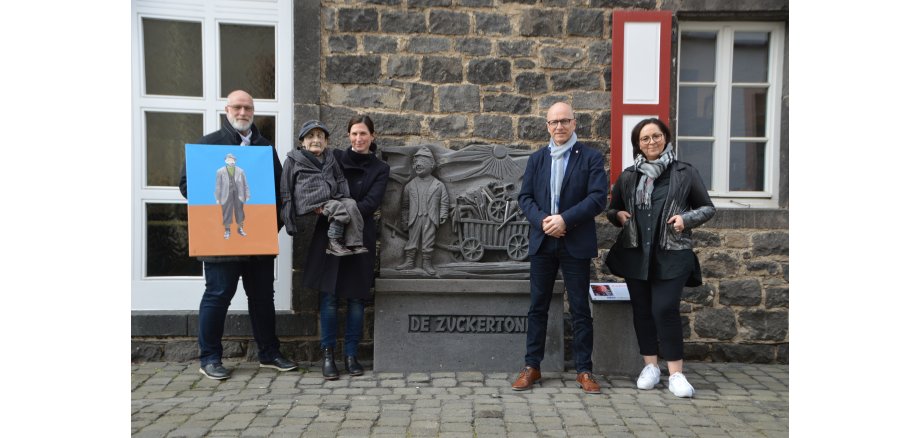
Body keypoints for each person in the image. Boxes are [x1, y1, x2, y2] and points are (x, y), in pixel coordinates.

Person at [179, 90, 297, 380]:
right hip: (220, 241)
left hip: (257, 241)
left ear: (253, 112)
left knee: (262, 298)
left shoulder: (264, 148)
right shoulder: (207, 146)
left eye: (248, 108)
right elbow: (186, 185)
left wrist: (270, 227)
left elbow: (279, 191)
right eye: (237, 107)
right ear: (227, 110)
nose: (243, 112)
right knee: (218, 296)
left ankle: (269, 353)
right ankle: (209, 358)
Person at [605, 117, 715, 398]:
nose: (651, 142)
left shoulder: (685, 172)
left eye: (656, 136)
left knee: (665, 309)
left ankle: (676, 373)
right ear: (638, 144)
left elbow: (707, 207)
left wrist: (686, 219)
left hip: (673, 252)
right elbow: (613, 210)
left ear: (665, 137)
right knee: (642, 311)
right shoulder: (629, 176)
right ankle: (650, 367)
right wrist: (618, 215)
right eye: (645, 138)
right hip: (636, 254)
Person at [512, 102, 608, 394]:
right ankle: (532, 367)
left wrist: (565, 219)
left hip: (575, 241)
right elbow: (525, 198)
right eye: (553, 122)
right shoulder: (537, 159)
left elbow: (597, 198)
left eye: (564, 121)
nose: (559, 126)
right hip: (543, 241)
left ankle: (584, 370)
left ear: (574, 123)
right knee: (537, 306)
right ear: (547, 126)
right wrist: (544, 221)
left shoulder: (590, 157)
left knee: (579, 308)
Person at [301, 116, 390, 380]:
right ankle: (328, 355)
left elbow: (371, 203)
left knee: (356, 299)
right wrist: (324, 207)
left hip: (359, 237)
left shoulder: (380, 168)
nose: (358, 139)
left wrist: (341, 210)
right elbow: (317, 186)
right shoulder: (335, 157)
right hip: (329, 233)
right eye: (354, 133)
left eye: (363, 134)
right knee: (329, 297)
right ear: (348, 135)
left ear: (372, 136)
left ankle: (351, 355)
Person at [280, 120, 367, 257]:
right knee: (337, 207)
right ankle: (334, 242)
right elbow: (286, 190)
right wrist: (289, 221)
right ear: (302, 142)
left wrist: (345, 196)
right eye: (310, 136)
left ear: (326, 142)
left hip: (329, 198)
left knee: (350, 204)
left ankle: (354, 242)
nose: (316, 140)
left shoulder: (329, 157)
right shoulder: (292, 160)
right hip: (308, 203)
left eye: (320, 136)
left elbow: (339, 177)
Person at [395, 147, 449, 276]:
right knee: (412, 240)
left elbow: (444, 202)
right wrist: (405, 220)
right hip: (414, 218)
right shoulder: (409, 186)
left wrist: (443, 214)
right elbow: (405, 206)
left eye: (422, 161)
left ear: (432, 165)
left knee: (428, 241)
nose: (418, 164)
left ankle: (427, 263)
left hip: (430, 218)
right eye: (416, 162)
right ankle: (409, 262)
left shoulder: (439, 185)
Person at [215, 153, 250, 239]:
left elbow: (245, 184)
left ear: (235, 161)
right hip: (225, 194)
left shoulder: (240, 171)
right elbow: (218, 185)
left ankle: (240, 228)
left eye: (232, 160)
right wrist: (217, 197)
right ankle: (227, 230)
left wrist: (247, 194)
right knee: (226, 211)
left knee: (240, 211)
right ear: (225, 161)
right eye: (229, 159)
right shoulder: (220, 171)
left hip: (239, 194)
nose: (231, 161)